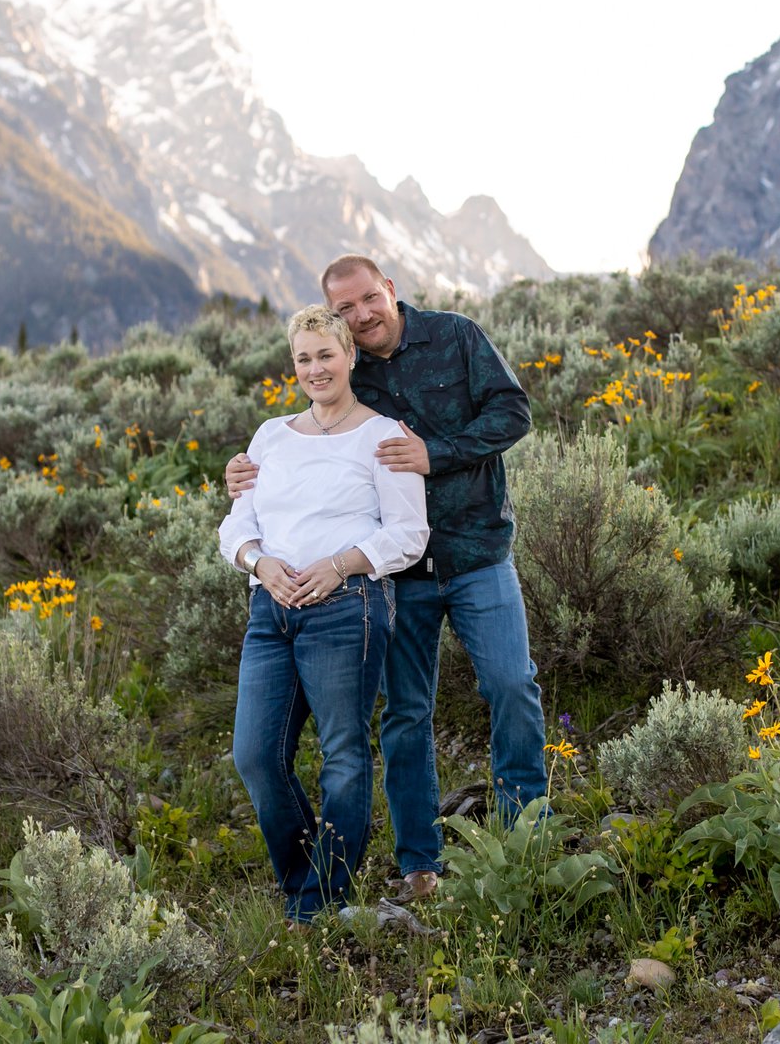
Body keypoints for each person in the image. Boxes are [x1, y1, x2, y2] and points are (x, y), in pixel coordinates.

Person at [227, 256, 544, 903]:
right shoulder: (348, 370)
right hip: (404, 575)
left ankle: (525, 836)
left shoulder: (455, 337)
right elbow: (312, 441)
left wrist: (438, 452)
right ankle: (419, 864)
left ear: (391, 291)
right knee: (406, 715)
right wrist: (244, 470)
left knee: (511, 683)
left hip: (477, 552)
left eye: (369, 299)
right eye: (347, 309)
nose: (362, 314)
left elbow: (513, 411)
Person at [217, 304, 428, 926]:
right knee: (255, 755)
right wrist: (259, 563)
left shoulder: (385, 435)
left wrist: (340, 564)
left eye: (326, 355)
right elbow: (238, 525)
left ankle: (319, 902)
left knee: (342, 752)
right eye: (304, 358)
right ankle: (306, 883)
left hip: (348, 607)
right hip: (272, 608)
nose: (315, 369)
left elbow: (409, 534)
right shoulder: (270, 437)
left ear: (350, 357)